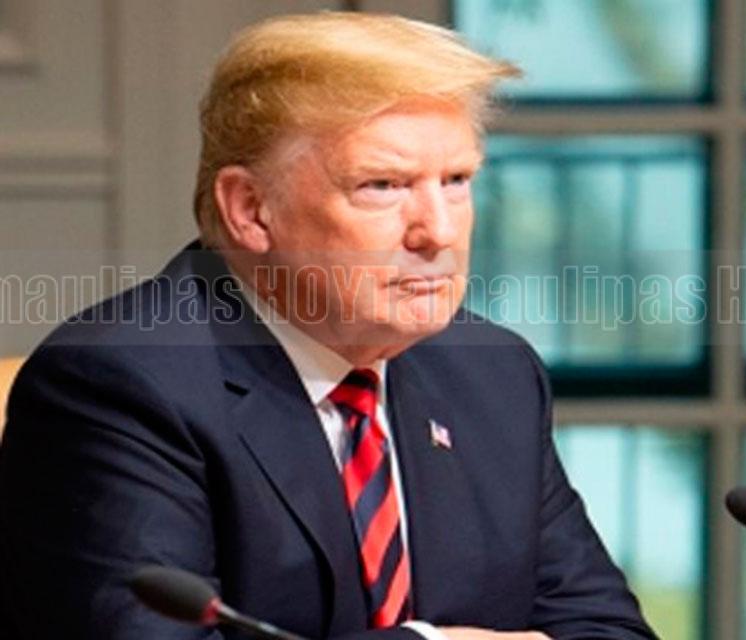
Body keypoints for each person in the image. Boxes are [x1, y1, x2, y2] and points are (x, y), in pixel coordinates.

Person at [0, 12, 657, 640]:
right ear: (250, 209)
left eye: (457, 180)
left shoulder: (491, 372)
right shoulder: (119, 386)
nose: (439, 231)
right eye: (383, 186)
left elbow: (605, 626)